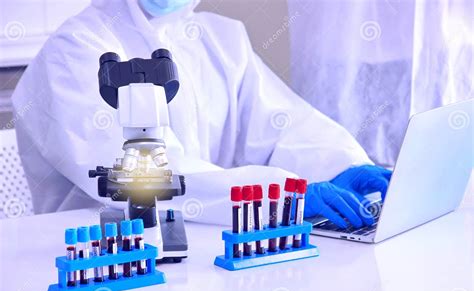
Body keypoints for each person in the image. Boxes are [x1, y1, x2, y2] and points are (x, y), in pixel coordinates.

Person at [12, 0, 391, 227]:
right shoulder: (75, 51)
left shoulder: (219, 38)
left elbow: (283, 125)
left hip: (204, 254)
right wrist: (285, 197)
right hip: (103, 272)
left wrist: (339, 167)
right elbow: (147, 179)